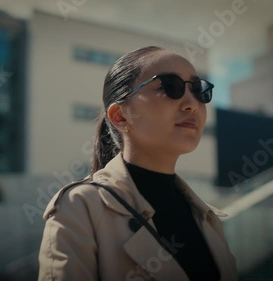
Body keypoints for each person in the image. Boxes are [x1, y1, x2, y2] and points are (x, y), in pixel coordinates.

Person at [38, 46, 238, 281]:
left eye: (198, 90)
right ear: (120, 116)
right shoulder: (80, 206)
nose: (192, 103)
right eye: (169, 86)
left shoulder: (208, 219)